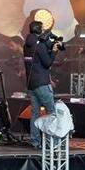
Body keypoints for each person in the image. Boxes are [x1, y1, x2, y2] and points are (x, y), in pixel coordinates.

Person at [23, 19, 60, 149]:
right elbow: (47, 63)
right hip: (42, 83)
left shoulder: (27, 44)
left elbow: (38, 60)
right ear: (40, 30)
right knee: (52, 113)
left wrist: (49, 49)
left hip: (31, 84)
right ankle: (54, 143)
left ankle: (35, 142)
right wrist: (54, 51)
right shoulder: (40, 45)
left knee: (35, 114)